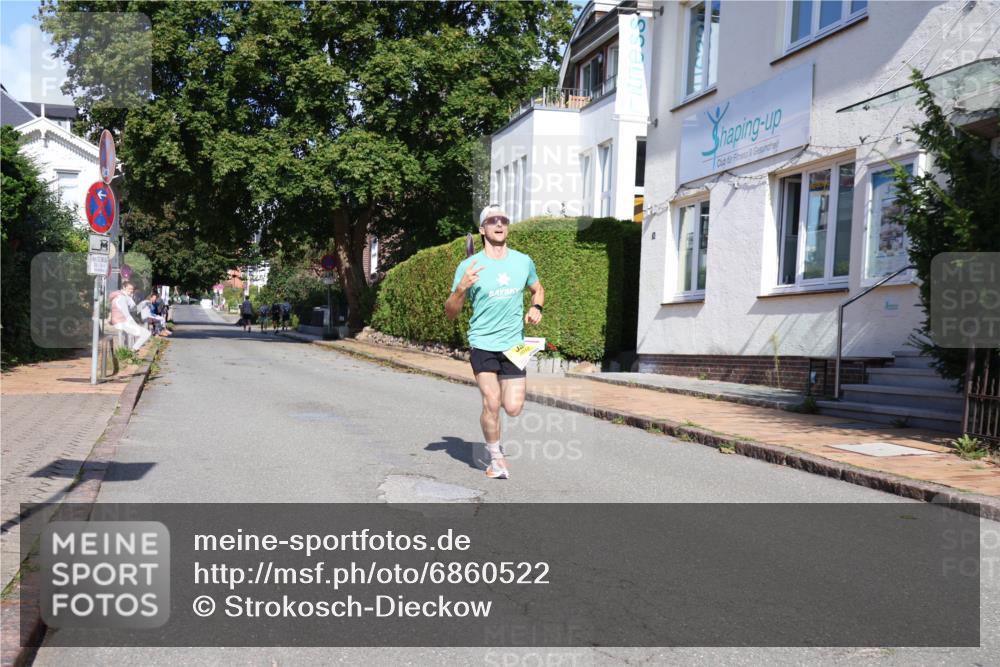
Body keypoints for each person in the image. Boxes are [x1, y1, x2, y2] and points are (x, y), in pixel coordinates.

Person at [445, 204, 544, 480]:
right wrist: (461, 288)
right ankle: (495, 458)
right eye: (492, 220)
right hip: (483, 343)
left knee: (512, 408)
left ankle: (494, 431)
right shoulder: (468, 266)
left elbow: (538, 289)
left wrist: (536, 307)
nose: (499, 224)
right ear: (482, 229)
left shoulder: (523, 261)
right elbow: (450, 312)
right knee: (491, 401)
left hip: (514, 345)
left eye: (503, 220)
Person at [109, 281, 152, 351]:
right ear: (124, 287)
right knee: (146, 334)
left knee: (130, 336)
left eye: (132, 289)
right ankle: (132, 350)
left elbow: (133, 309)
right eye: (129, 288)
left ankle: (129, 350)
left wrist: (142, 304)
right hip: (122, 322)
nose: (131, 290)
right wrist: (134, 324)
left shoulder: (121, 296)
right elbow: (127, 313)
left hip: (120, 321)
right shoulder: (122, 297)